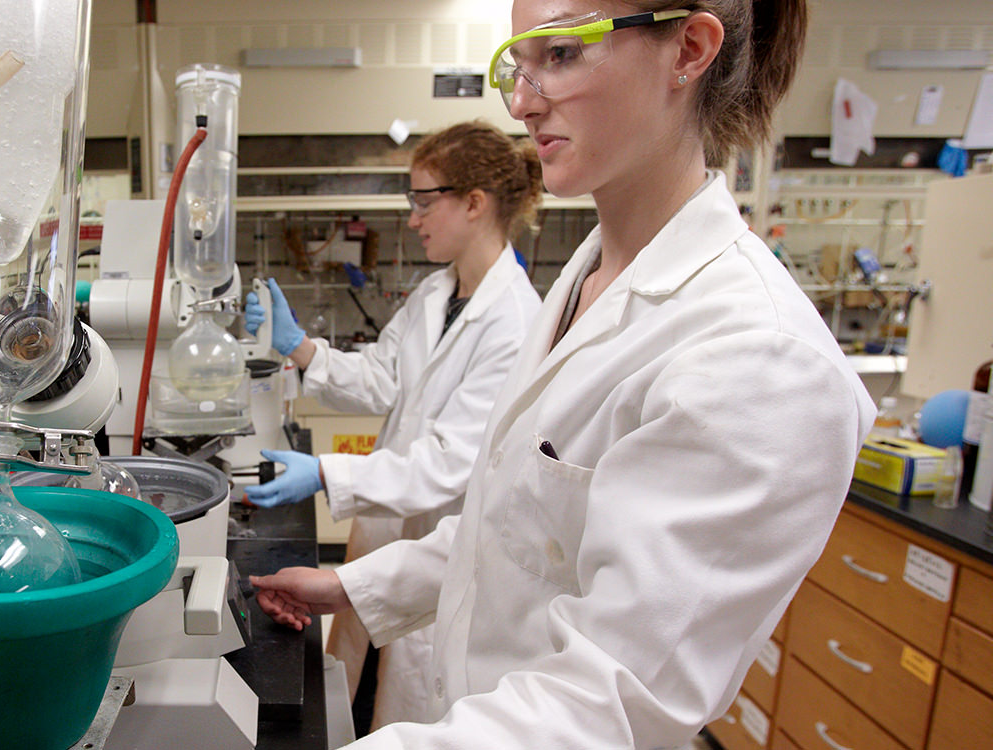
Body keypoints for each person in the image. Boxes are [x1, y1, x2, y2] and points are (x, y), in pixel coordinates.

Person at [250, 1, 876, 747]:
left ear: (690, 48)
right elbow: (512, 528)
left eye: (563, 55)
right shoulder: (586, 280)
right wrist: (350, 586)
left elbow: (609, 701)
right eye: (520, 64)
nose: (520, 100)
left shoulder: (760, 359)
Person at [243, 121, 544, 729]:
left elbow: (448, 463)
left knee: (408, 709)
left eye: (424, 200)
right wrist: (300, 348)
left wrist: (327, 471)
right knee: (345, 698)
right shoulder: (436, 292)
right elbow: (383, 377)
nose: (412, 218)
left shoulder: (515, 322)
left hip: (442, 552)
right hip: (385, 537)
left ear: (475, 203)